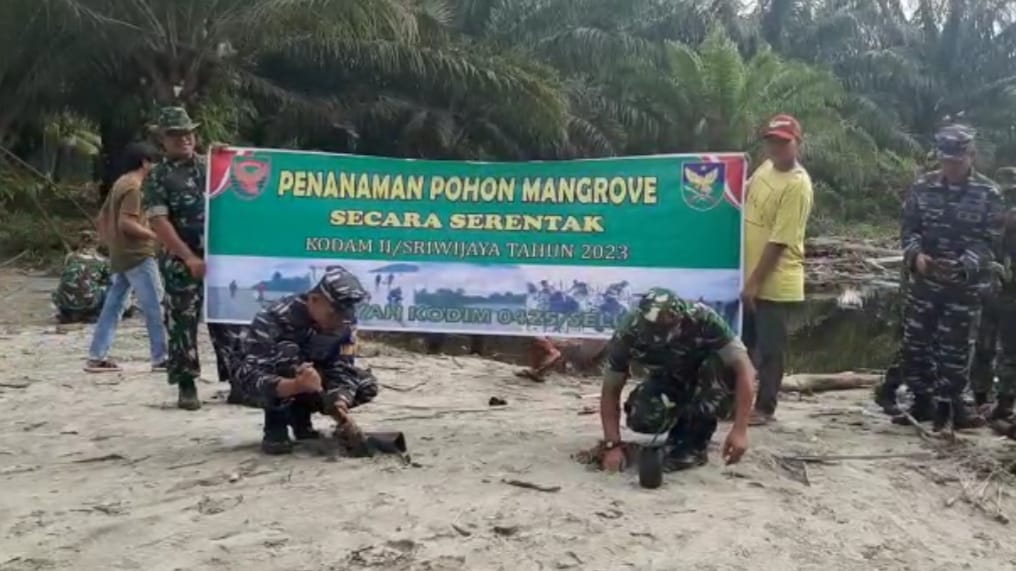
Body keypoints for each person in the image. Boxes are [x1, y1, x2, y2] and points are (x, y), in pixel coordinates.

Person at [896, 125, 1004, 430]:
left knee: (955, 349)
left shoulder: (989, 193)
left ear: (971, 155)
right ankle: (922, 401)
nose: (951, 168)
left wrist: (964, 264)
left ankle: (954, 404)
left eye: (957, 162)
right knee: (915, 345)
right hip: (925, 283)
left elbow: (991, 241)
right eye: (946, 161)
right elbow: (909, 229)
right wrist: (916, 256)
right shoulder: (922, 187)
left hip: (964, 287)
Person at [143, 107, 241, 410]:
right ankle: (186, 385)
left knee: (227, 321)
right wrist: (188, 258)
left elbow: (248, 184)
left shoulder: (212, 167)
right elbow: (160, 223)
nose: (184, 139)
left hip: (219, 259)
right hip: (181, 262)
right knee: (182, 323)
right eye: (176, 134)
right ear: (164, 139)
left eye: (188, 133)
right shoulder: (158, 177)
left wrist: (234, 157)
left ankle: (238, 381)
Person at [600, 288, 755, 472]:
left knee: (717, 366)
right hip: (669, 380)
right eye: (652, 331)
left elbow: (746, 370)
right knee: (642, 415)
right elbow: (610, 389)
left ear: (680, 320)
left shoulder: (704, 319)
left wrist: (740, 431)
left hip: (708, 381)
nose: (658, 336)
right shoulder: (628, 332)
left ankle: (695, 441)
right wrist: (612, 445)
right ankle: (679, 426)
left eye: (663, 330)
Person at [230, 267, 379, 454]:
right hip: (258, 385)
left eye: (345, 315)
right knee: (287, 356)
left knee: (366, 384)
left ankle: (300, 417)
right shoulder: (273, 318)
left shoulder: (346, 324)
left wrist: (339, 402)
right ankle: (275, 425)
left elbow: (344, 367)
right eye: (334, 314)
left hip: (311, 383)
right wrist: (295, 385)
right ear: (314, 300)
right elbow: (249, 376)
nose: (340, 322)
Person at [740, 114, 814, 425]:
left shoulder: (797, 185)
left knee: (770, 349)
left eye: (784, 142)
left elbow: (779, 241)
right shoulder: (765, 168)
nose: (776, 147)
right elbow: (744, 193)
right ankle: (738, 400)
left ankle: (765, 407)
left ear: (797, 143)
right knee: (741, 344)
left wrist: (754, 282)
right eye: (772, 140)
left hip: (774, 279)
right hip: (749, 275)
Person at [84, 142, 167, 373]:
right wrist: (155, 236)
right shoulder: (134, 187)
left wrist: (110, 244)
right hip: (138, 254)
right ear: (145, 163)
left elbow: (102, 218)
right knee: (155, 305)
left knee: (114, 305)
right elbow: (126, 222)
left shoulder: (120, 182)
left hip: (121, 255)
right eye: (155, 162)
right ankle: (162, 358)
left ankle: (96, 356)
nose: (157, 167)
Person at [979, 167, 1016, 422]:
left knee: (1009, 351)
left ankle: (1005, 402)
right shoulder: (987, 218)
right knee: (982, 347)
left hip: (1010, 293)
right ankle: (981, 397)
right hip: (986, 290)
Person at [52, 231, 112, 324]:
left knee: (65, 285)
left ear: (80, 242)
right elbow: (109, 281)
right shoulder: (102, 261)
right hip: (88, 301)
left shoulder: (70, 257)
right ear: (97, 244)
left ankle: (67, 313)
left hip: (65, 301)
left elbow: (64, 275)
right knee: (108, 287)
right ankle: (94, 314)